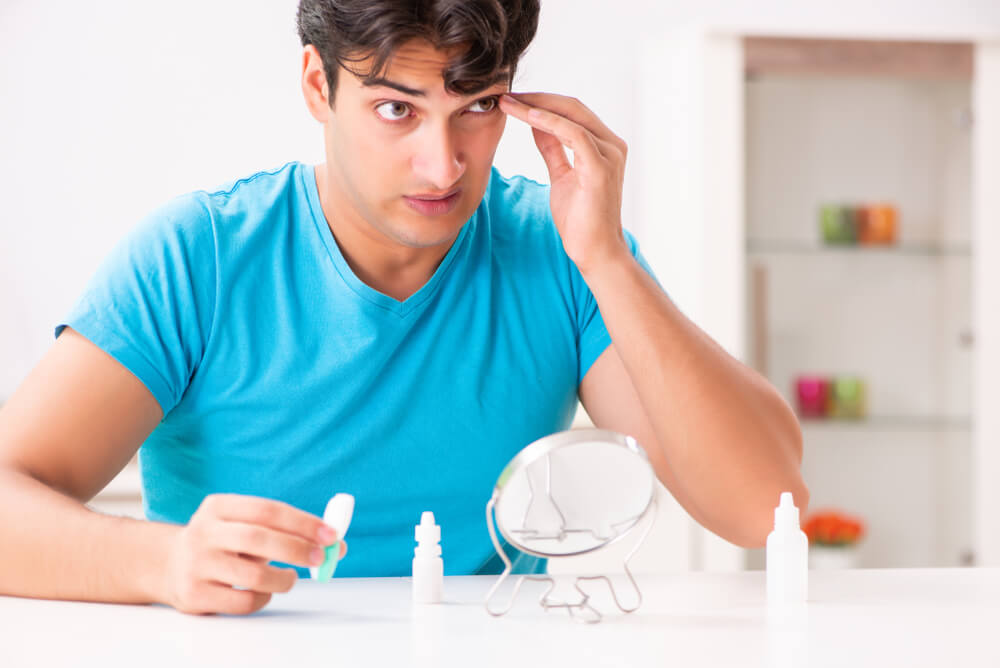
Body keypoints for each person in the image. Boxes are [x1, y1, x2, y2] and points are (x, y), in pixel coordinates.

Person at [0, 0, 808, 616]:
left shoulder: (559, 251)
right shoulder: (199, 258)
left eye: (479, 107)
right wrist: (161, 563)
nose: (443, 163)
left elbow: (760, 508)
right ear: (320, 85)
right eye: (398, 109)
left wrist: (606, 260)